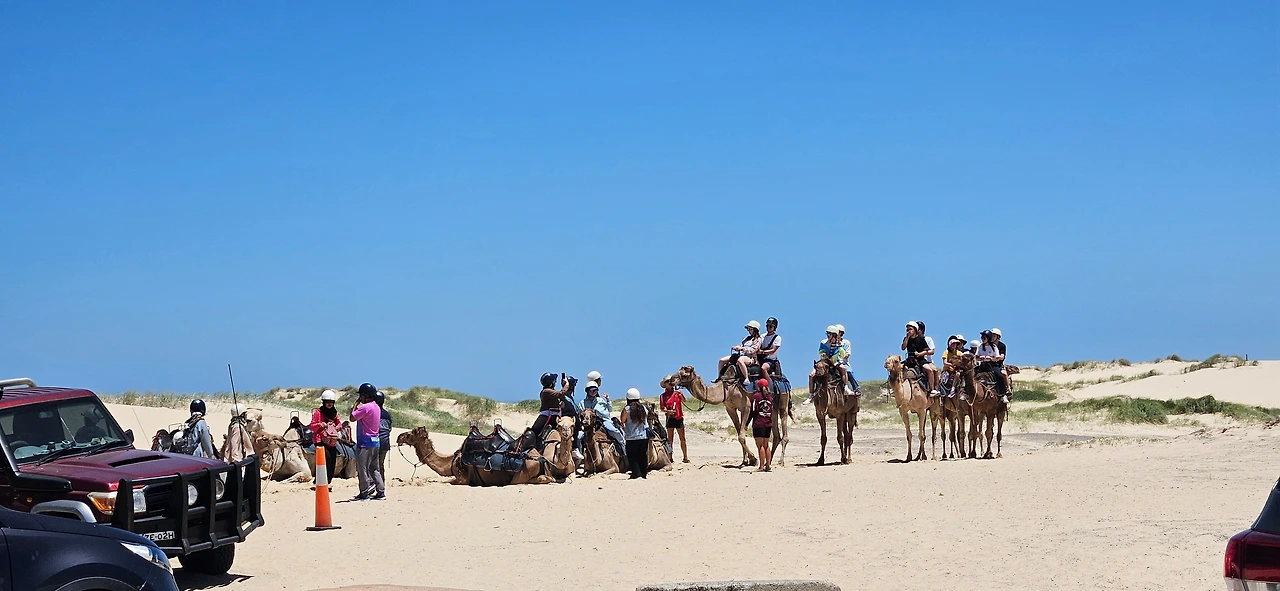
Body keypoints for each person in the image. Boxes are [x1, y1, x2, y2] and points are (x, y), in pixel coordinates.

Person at [349, 383, 385, 501]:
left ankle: (364, 493)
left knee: (362, 468)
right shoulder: (376, 407)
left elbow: (352, 418)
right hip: (375, 441)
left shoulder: (365, 407)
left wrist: (355, 404)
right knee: (375, 468)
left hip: (365, 442)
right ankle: (381, 492)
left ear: (365, 395)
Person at [582, 380, 626, 458]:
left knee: (614, 431)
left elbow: (610, 409)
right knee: (579, 437)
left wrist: (608, 400)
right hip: (589, 423)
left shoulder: (601, 400)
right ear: (587, 391)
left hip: (604, 420)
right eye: (591, 390)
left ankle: (624, 447)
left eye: (595, 390)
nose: (594, 392)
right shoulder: (582, 403)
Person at [310, 389, 343, 483]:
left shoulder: (334, 413)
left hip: (331, 441)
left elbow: (339, 424)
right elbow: (312, 426)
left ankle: (327, 481)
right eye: (327, 402)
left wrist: (338, 427)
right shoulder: (318, 412)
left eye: (331, 402)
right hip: (320, 440)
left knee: (332, 461)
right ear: (324, 402)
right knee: (325, 460)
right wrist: (319, 425)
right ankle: (319, 481)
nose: (329, 404)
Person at [808, 326, 848, 402]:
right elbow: (820, 351)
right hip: (824, 362)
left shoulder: (840, 344)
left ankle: (846, 388)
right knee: (811, 375)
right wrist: (823, 354)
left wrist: (840, 346)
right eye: (827, 334)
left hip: (835, 362)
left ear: (834, 335)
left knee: (844, 369)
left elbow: (843, 355)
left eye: (829, 334)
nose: (827, 336)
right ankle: (811, 394)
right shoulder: (823, 342)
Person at [716, 320, 763, 385]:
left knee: (740, 360)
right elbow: (741, 345)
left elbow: (753, 350)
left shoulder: (758, 339)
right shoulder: (746, 338)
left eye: (750, 329)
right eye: (748, 329)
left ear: (755, 330)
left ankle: (746, 378)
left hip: (750, 358)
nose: (749, 331)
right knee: (721, 360)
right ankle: (719, 377)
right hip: (741, 355)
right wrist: (737, 347)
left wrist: (742, 349)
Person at [533, 372, 577, 437]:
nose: (555, 382)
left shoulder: (550, 391)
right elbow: (561, 393)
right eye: (554, 381)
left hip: (555, 416)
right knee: (534, 431)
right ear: (551, 383)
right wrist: (566, 385)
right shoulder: (546, 391)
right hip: (547, 416)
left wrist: (559, 405)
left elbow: (555, 400)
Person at [619, 388, 650, 479]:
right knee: (642, 455)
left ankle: (636, 474)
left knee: (632, 457)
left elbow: (622, 420)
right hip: (644, 436)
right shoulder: (644, 408)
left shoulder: (627, 409)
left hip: (631, 437)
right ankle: (643, 474)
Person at [901, 321, 939, 395]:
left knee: (929, 370)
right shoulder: (906, 339)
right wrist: (907, 338)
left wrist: (919, 354)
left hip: (920, 360)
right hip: (909, 360)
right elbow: (903, 348)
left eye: (910, 329)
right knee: (897, 368)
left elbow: (927, 350)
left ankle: (932, 389)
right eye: (907, 330)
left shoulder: (921, 339)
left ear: (915, 330)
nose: (908, 331)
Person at [659, 376, 690, 463]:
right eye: (667, 382)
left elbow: (684, 401)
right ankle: (670, 457)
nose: (669, 383)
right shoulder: (663, 396)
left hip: (678, 417)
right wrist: (668, 411)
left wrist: (681, 395)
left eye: (670, 381)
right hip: (670, 418)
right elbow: (662, 408)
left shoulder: (677, 393)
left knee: (682, 438)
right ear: (665, 384)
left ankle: (685, 457)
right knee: (670, 440)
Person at [746, 379, 774, 472]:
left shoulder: (756, 396)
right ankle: (768, 465)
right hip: (768, 423)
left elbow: (752, 411)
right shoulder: (770, 397)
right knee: (766, 445)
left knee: (760, 446)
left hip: (758, 423)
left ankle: (761, 466)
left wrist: (746, 423)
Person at [976, 330, 1009, 403]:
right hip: (983, 365)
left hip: (992, 365)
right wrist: (980, 358)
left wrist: (990, 358)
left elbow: (998, 358)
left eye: (984, 337)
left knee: (999, 376)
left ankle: (1003, 394)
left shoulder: (994, 347)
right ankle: (966, 392)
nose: (982, 339)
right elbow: (976, 357)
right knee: (970, 373)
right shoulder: (980, 346)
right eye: (982, 337)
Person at [835, 324, 860, 395]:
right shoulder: (831, 342)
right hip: (832, 362)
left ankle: (856, 388)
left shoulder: (846, 342)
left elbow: (847, 354)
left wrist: (842, 355)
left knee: (849, 372)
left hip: (843, 362)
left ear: (841, 333)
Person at [940, 335, 966, 399]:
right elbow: (945, 363)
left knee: (958, 374)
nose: (954, 345)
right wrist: (952, 365)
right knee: (943, 380)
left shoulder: (960, 353)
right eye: (953, 344)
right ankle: (941, 394)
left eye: (955, 344)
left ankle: (953, 389)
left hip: (956, 370)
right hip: (947, 370)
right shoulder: (946, 352)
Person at [375, 391, 392, 486]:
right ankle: (382, 485)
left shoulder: (374, 412)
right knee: (380, 465)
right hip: (385, 443)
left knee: (373, 465)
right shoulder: (387, 414)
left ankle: (375, 485)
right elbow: (389, 429)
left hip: (376, 442)